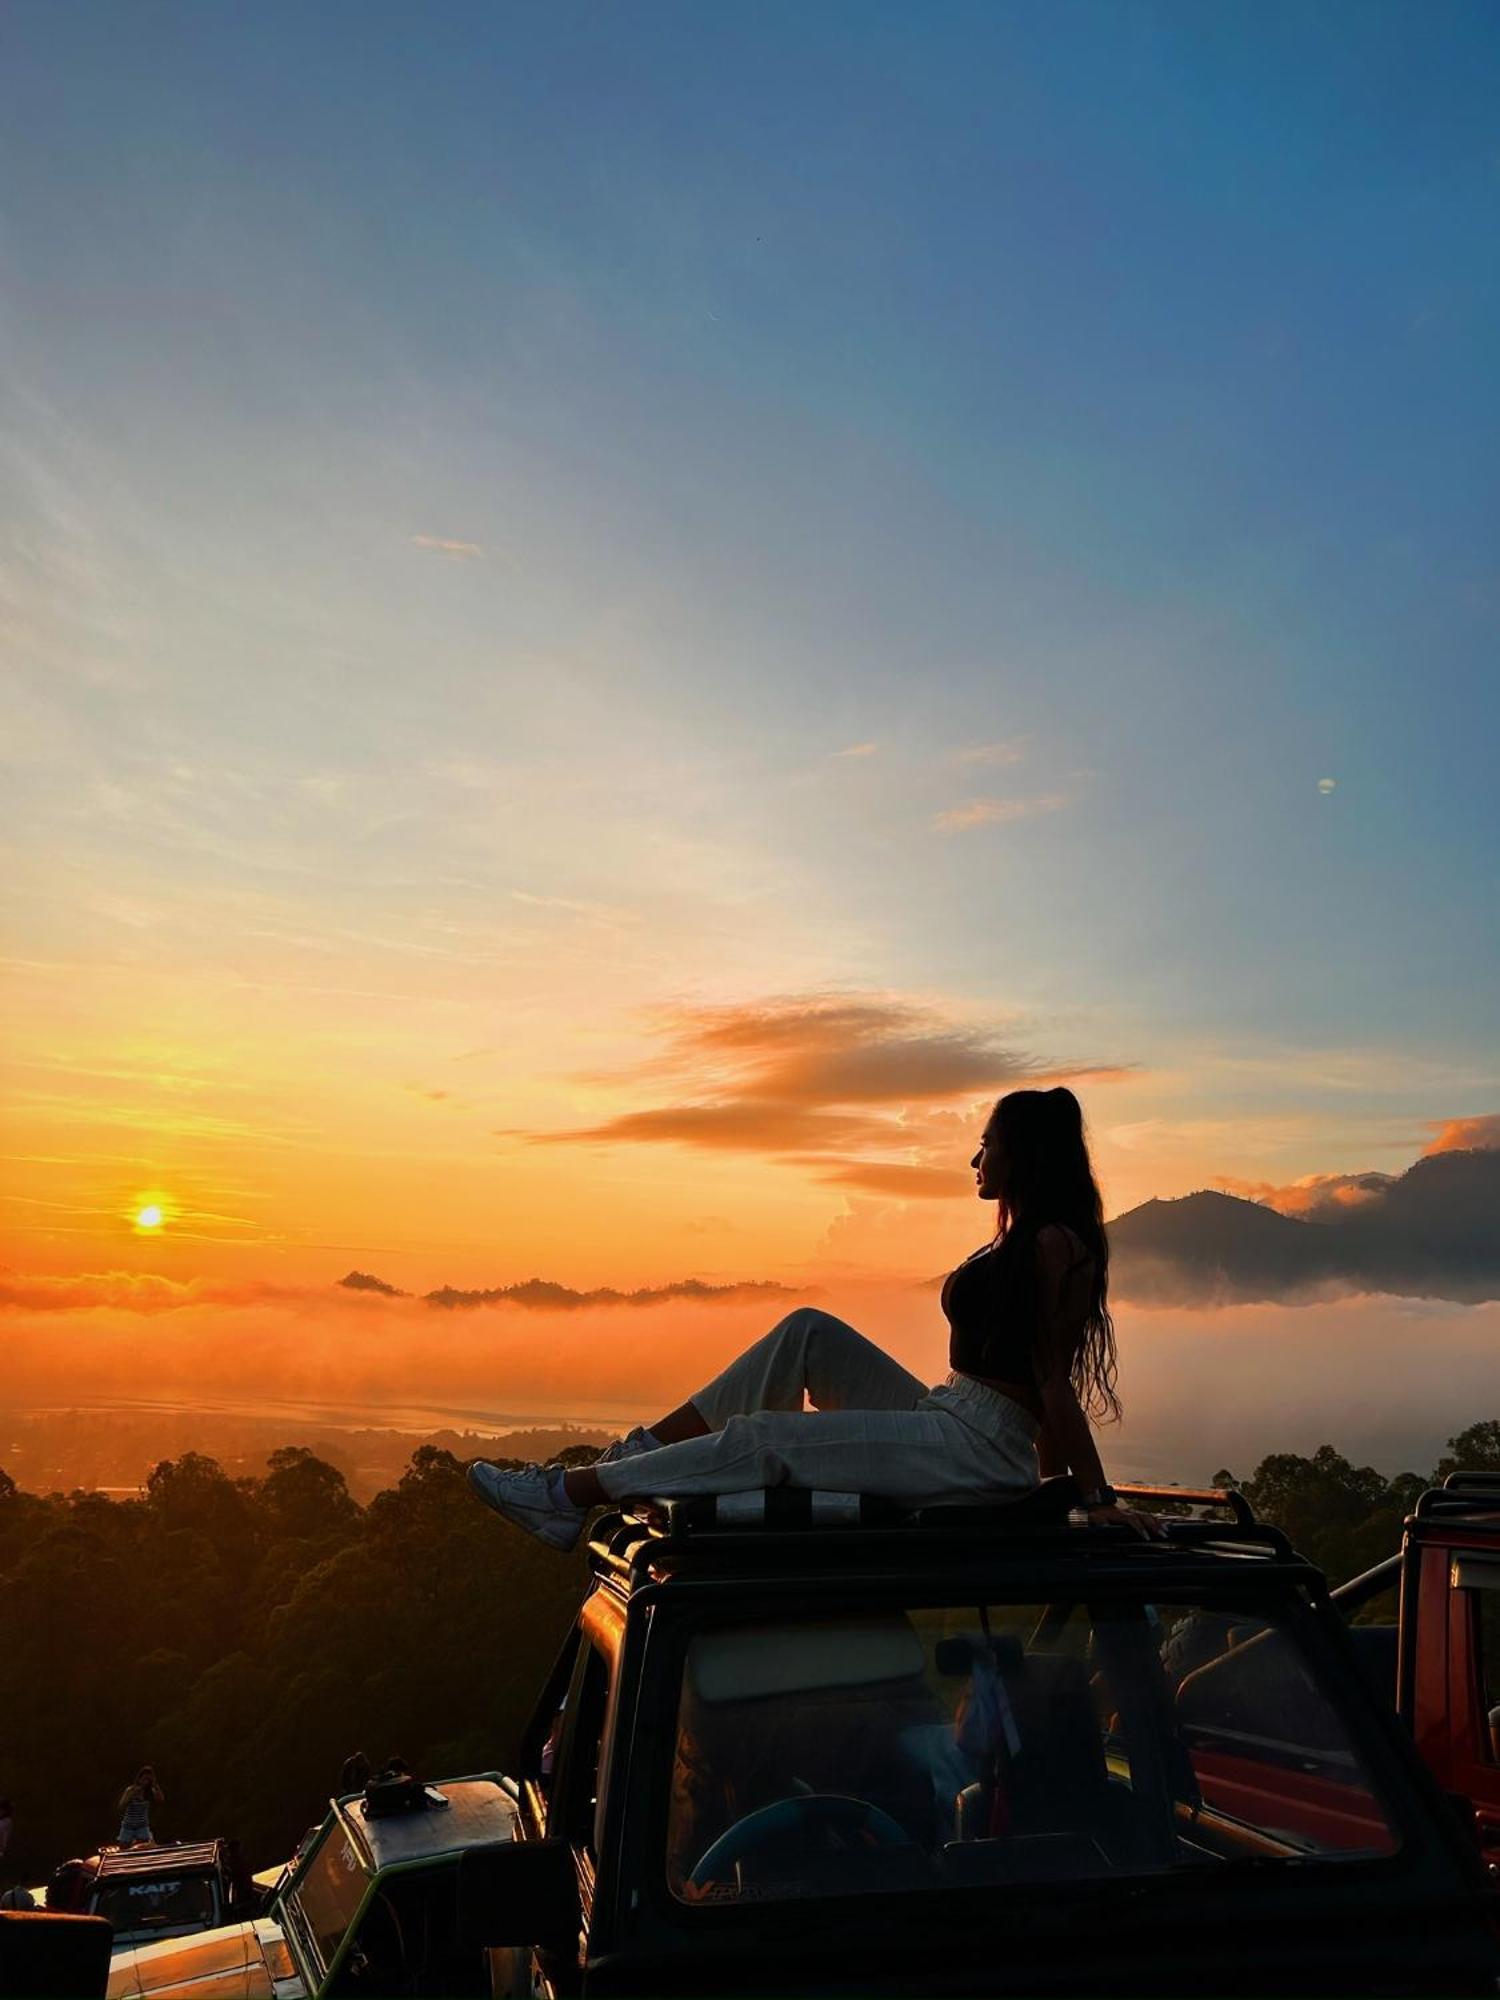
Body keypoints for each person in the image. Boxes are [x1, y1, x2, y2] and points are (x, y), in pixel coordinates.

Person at [468, 1087, 1162, 1549]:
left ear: (1022, 1155)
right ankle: (635, 1456)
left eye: (988, 1145)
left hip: (980, 1451)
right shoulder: (1019, 1241)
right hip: (954, 1417)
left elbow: (1052, 1384)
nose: (975, 1158)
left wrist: (1086, 1497)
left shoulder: (1053, 1246)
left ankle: (569, 1491)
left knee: (772, 1439)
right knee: (807, 1332)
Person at [116, 1766, 163, 1848]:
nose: (145, 1782)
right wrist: (131, 1796)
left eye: (148, 1780)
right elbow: (121, 1805)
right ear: (139, 1779)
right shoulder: (131, 1790)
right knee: (123, 1848)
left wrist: (155, 1785)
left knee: (144, 1847)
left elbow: (161, 1799)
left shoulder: (150, 1792)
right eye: (144, 1779)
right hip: (128, 1825)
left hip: (142, 1826)